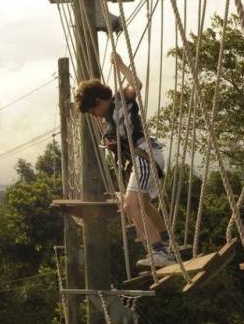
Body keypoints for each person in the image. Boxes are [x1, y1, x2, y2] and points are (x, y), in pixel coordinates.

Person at [74, 53, 174, 267]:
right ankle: (166, 244)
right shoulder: (108, 121)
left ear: (100, 101)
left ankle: (160, 252)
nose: (94, 115)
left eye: (93, 110)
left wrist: (120, 65)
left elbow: (136, 85)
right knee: (143, 205)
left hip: (145, 156)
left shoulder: (120, 99)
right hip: (142, 158)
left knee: (130, 206)